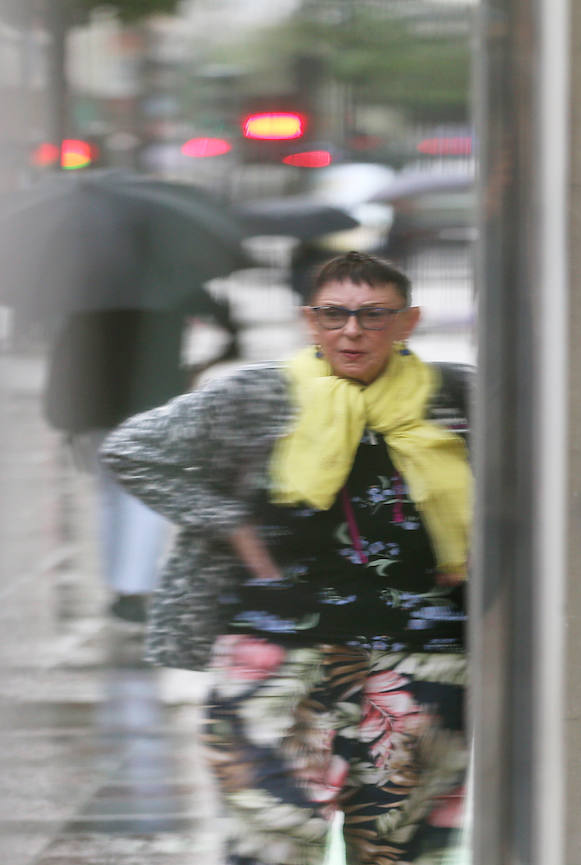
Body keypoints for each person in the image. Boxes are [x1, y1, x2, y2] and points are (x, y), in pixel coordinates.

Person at [101, 252, 471, 865]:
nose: (352, 331)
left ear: (408, 322)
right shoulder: (259, 394)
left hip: (423, 656)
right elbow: (133, 448)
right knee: (269, 843)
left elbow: (533, 476)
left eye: (374, 315)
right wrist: (227, 520)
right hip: (273, 655)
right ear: (310, 320)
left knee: (402, 850)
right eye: (335, 314)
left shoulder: (457, 395)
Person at [43, 290, 239, 622]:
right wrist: (198, 366)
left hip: (100, 397)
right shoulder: (167, 274)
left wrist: (67, 418)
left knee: (111, 492)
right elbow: (225, 323)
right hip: (155, 394)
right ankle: (132, 589)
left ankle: (122, 588)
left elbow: (67, 350)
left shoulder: (91, 281)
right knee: (143, 496)